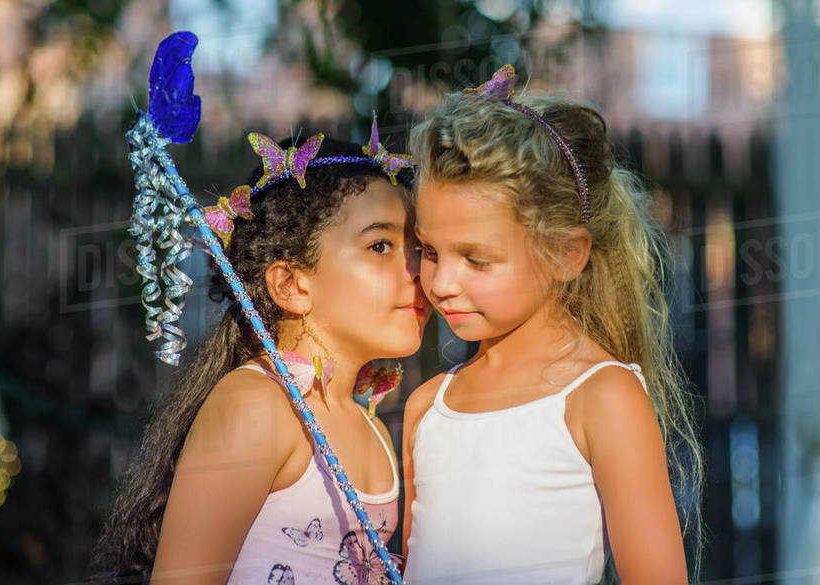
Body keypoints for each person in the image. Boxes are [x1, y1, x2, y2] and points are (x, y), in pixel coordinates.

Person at [400, 66, 705, 585]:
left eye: (476, 259)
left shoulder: (602, 396)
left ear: (565, 254)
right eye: (429, 250)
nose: (443, 281)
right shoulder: (426, 407)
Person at [88, 131, 430, 585]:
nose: (418, 270)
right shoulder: (258, 403)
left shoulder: (370, 423)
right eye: (380, 246)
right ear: (291, 285)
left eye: (419, 249)